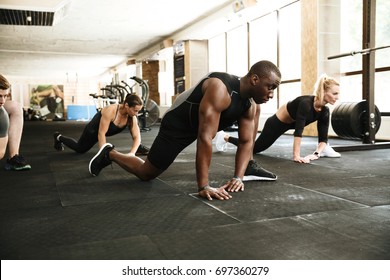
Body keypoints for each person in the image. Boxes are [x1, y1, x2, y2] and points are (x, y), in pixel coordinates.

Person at [89, 60, 281, 201]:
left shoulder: (250, 105)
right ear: (255, 79)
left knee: (147, 173)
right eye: (270, 87)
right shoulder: (220, 88)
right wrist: (204, 186)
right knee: (146, 173)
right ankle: (111, 153)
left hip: (198, 126)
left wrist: (238, 177)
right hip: (177, 125)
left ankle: (111, 153)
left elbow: (247, 142)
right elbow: (205, 137)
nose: (271, 94)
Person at [215, 74, 341, 165]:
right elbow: (298, 132)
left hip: (290, 124)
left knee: (254, 148)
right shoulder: (306, 104)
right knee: (255, 148)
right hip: (277, 123)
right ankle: (225, 137)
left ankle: (324, 151)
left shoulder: (325, 111)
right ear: (323, 91)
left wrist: (316, 153)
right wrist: (296, 156)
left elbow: (323, 138)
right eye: (335, 94)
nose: (337, 97)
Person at [53, 93, 150, 156]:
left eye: (138, 111)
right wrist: (102, 153)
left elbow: (137, 137)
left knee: (136, 146)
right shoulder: (111, 110)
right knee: (80, 149)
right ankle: (58, 137)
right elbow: (101, 133)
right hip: (93, 131)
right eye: (135, 110)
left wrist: (132, 153)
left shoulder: (132, 117)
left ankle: (137, 149)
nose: (136, 114)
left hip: (103, 132)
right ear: (127, 105)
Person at [0, 74, 31, 171]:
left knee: (16, 107)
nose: (2, 101)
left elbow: (0, 152)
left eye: (5, 96)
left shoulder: (2, 115)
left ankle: (14, 157)